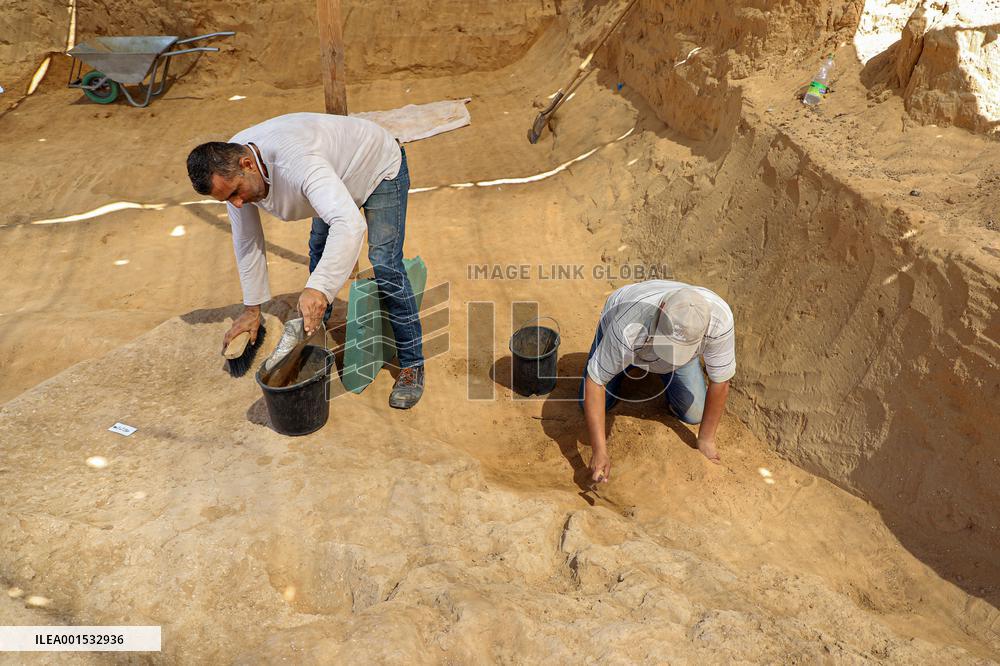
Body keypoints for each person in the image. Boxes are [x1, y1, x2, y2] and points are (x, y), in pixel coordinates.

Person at [186, 112, 424, 409]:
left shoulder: (297, 163)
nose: (236, 203)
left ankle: (412, 363)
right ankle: (315, 328)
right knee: (319, 247)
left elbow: (349, 225)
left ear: (248, 165)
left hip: (376, 165)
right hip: (334, 174)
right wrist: (251, 308)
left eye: (236, 193)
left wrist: (319, 288)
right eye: (226, 200)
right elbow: (246, 239)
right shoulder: (232, 166)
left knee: (385, 262)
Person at [579, 280, 736, 482]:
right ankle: (624, 364)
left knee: (694, 413)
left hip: (670, 358)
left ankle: (646, 365)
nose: (670, 354)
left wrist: (706, 439)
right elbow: (596, 381)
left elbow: (721, 381)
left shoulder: (719, 320)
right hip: (629, 338)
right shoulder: (628, 321)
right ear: (661, 309)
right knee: (590, 405)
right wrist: (599, 451)